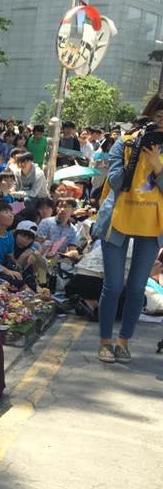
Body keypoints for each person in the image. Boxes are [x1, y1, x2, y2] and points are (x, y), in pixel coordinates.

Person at [92, 115, 163, 363]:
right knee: (112, 285)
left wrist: (157, 165)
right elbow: (116, 181)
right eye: (158, 118)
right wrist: (135, 155)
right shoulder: (125, 143)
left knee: (136, 287)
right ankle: (105, 342)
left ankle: (123, 341)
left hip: (151, 224)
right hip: (117, 219)